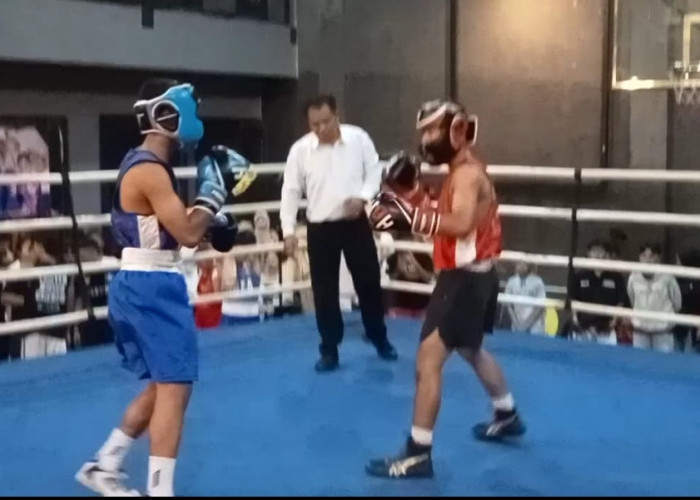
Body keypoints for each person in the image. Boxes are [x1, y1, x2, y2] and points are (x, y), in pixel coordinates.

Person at [75, 78, 245, 497]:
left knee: (162, 386)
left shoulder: (146, 164)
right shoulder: (149, 170)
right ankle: (159, 490)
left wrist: (213, 224)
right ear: (167, 113)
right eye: (190, 108)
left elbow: (168, 230)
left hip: (143, 282)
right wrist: (210, 199)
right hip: (150, 287)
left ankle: (104, 464)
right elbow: (186, 231)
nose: (195, 115)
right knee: (175, 387)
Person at [366, 100, 525, 479]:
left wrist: (409, 215)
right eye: (423, 132)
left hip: (464, 281)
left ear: (456, 131)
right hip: (477, 277)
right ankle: (506, 414)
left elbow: (461, 223)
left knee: (427, 363)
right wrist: (413, 195)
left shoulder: (467, 175)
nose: (425, 140)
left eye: (432, 131)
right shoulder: (459, 172)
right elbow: (441, 222)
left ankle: (417, 453)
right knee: (470, 348)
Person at [280, 94, 396, 372]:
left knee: (369, 282)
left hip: (355, 223)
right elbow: (291, 190)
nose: (321, 128)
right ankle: (329, 348)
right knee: (324, 291)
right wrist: (288, 230)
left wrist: (363, 197)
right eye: (314, 124)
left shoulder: (359, 139)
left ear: (336, 116)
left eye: (326, 121)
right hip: (319, 227)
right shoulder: (300, 150)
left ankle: (378, 337)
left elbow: (374, 171)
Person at [504, 261, 547, 335]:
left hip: (535, 327)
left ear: (528, 266)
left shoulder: (538, 282)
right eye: (519, 263)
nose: (520, 266)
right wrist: (516, 323)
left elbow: (540, 307)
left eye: (523, 263)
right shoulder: (511, 281)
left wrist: (526, 324)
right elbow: (508, 305)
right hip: (517, 326)